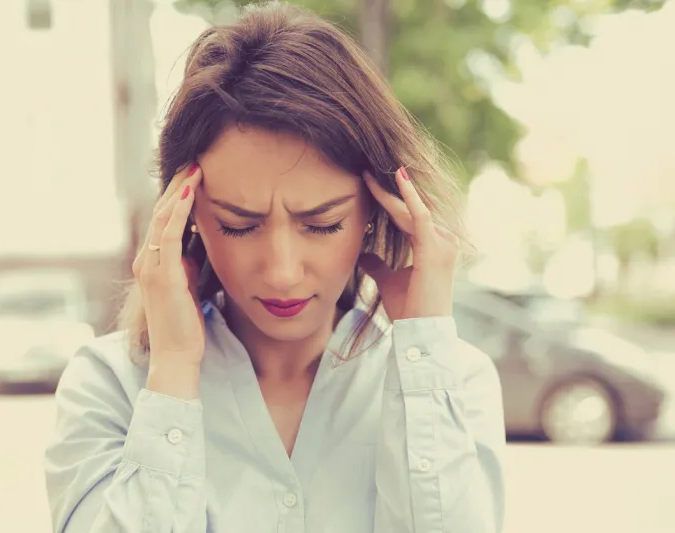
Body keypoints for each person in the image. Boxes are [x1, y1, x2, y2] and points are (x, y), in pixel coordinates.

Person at [44, 2, 506, 532]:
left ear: (379, 212)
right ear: (186, 215)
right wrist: (172, 369)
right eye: (240, 225)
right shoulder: (109, 387)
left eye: (322, 223)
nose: (282, 272)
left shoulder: (454, 384)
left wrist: (423, 352)